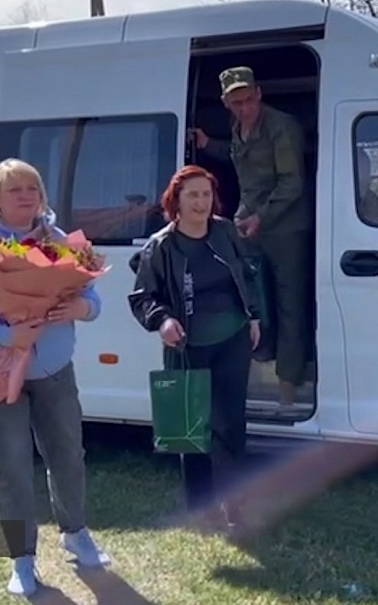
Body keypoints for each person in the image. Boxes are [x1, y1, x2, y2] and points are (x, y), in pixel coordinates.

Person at [0, 158, 110, 597]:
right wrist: (6, 335)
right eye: (15, 189)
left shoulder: (57, 240)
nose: (26, 195)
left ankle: (76, 533)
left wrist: (81, 308)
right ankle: (22, 560)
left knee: (68, 455)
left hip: (54, 371)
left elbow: (93, 297)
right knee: (12, 468)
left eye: (32, 187)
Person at [127, 164, 262, 532]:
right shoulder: (162, 246)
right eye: (193, 195)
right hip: (187, 345)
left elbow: (247, 273)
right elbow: (142, 297)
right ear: (177, 201)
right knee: (191, 428)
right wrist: (162, 321)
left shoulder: (224, 231)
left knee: (230, 423)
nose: (201, 202)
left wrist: (252, 316)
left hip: (232, 338)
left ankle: (234, 503)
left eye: (206, 194)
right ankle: (202, 507)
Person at [188, 66, 312, 412]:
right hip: (249, 226)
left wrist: (260, 218)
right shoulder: (238, 126)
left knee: (290, 306)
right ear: (226, 103)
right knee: (250, 301)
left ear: (258, 94)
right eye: (236, 103)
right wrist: (207, 145)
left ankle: (288, 391)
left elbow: (292, 183)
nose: (244, 108)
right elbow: (237, 153)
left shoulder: (281, 127)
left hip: (285, 230)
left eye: (248, 100)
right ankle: (256, 366)